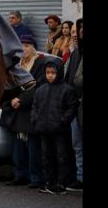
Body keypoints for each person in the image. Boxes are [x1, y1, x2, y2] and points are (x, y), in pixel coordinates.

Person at [1, 35, 47, 188]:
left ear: (33, 47)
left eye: (27, 45)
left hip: (31, 110)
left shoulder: (40, 63)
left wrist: (21, 100)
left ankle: (36, 177)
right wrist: (11, 100)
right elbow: (10, 84)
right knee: (17, 147)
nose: (24, 48)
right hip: (16, 112)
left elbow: (39, 86)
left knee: (34, 148)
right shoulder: (16, 65)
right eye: (22, 45)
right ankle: (20, 174)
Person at [31, 59, 78, 194]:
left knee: (62, 157)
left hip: (60, 130)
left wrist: (63, 120)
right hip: (44, 129)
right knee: (46, 156)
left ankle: (61, 183)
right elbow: (35, 106)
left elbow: (72, 107)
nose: (50, 75)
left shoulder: (67, 90)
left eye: (53, 72)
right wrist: (35, 120)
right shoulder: (41, 90)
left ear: (59, 73)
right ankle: (49, 182)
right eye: (47, 72)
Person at [64, 18, 83, 191]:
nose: (77, 34)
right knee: (77, 144)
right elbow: (69, 77)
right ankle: (80, 177)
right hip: (75, 106)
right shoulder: (75, 53)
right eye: (77, 30)